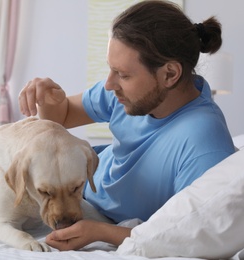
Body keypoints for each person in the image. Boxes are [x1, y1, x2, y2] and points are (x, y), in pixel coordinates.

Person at [18, 0, 235, 251]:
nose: (109, 84)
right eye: (111, 70)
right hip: (77, 193)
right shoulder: (127, 94)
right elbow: (63, 116)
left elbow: (192, 234)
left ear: (170, 74)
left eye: (123, 74)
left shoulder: (203, 141)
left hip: (104, 219)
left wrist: (100, 232)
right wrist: (45, 97)